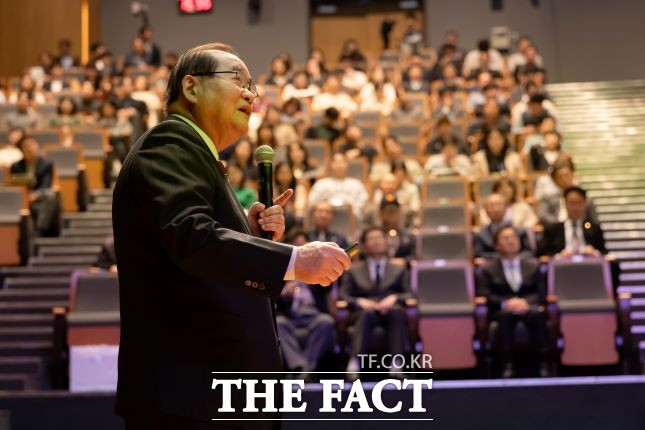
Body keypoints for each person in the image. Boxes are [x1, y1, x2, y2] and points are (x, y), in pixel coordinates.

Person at [112, 42, 351, 429]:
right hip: (192, 397)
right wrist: (294, 260)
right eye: (238, 80)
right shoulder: (171, 143)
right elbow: (193, 239)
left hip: (214, 396)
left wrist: (248, 233)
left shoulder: (197, 156)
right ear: (191, 87)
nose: (250, 93)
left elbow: (196, 252)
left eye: (253, 85)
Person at [340, 227, 413, 379]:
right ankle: (354, 363)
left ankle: (396, 365)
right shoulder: (354, 270)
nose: (377, 242)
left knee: (396, 313)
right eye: (372, 239)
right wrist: (360, 301)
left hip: (389, 309)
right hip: (363, 311)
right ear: (365, 245)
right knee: (366, 314)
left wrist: (394, 298)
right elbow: (343, 296)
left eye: (380, 238)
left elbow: (409, 293)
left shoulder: (398, 269)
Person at [477, 225, 549, 378]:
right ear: (496, 245)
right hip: (503, 310)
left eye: (513, 237)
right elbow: (485, 294)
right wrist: (507, 303)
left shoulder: (533, 267)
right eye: (505, 238)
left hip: (529, 307)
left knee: (537, 315)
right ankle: (506, 365)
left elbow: (541, 293)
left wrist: (525, 302)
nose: (511, 241)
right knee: (506, 316)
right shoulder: (488, 270)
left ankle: (542, 363)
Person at [276, 230, 336, 379]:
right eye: (297, 245)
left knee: (326, 321)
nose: (301, 248)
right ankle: (300, 366)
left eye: (305, 245)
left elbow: (328, 287)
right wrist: (284, 292)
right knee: (278, 323)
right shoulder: (281, 270)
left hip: (312, 314)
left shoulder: (317, 269)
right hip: (290, 314)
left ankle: (305, 369)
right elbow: (271, 299)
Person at [10, 136, 60, 237]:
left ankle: (39, 230)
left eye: (32, 145)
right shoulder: (16, 166)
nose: (29, 149)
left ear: (37, 147)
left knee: (50, 195)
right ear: (21, 150)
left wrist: (35, 195)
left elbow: (46, 185)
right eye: (26, 147)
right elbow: (14, 186)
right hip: (22, 198)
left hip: (40, 197)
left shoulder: (46, 164)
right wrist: (25, 196)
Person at [539, 186, 607, 258]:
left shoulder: (593, 228)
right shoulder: (553, 229)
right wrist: (558, 256)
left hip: (589, 265)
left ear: (584, 204)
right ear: (565, 203)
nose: (575, 207)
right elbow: (541, 255)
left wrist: (594, 252)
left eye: (579, 203)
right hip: (561, 266)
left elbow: (604, 252)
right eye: (572, 203)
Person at [307, 152, 369, 221]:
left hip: (351, 220)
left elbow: (362, 204)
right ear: (331, 164)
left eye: (342, 162)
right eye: (336, 162)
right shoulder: (321, 184)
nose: (339, 165)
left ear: (347, 164)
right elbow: (313, 203)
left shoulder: (357, 184)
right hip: (325, 220)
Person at [473, 194, 534, 260]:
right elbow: (479, 255)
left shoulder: (520, 232)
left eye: (499, 204)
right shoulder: (480, 235)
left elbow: (529, 253)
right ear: (485, 210)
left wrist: (514, 259)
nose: (495, 209)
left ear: (506, 208)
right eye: (491, 205)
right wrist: (505, 258)